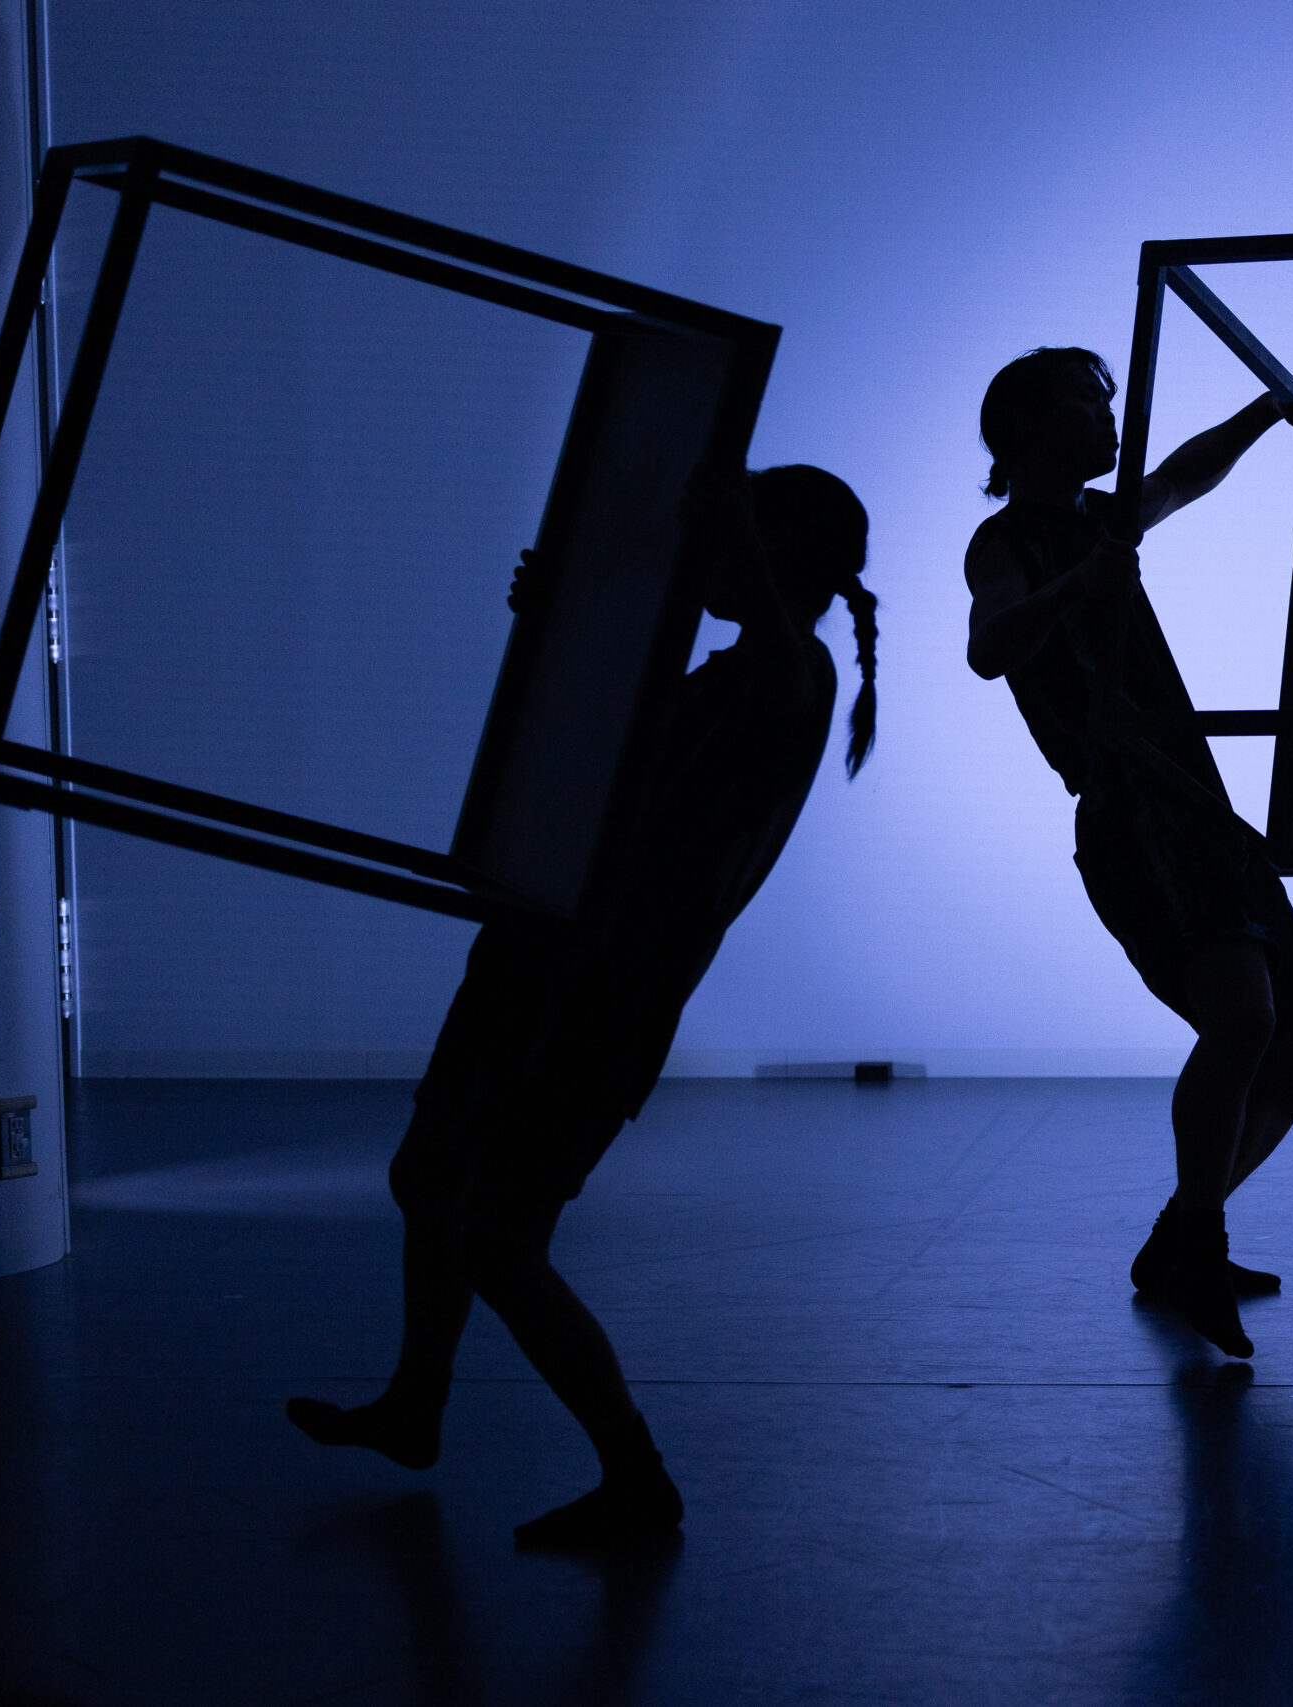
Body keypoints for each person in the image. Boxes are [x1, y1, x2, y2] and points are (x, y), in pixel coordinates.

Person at [288, 463, 878, 1547]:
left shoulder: (792, 675)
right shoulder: (723, 676)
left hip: (596, 997)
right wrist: (559, 620)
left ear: (777, 552)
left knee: (499, 1236)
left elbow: (773, 687)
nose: (703, 554)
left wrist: (726, 536)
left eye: (733, 536)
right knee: (432, 1178)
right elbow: (599, 740)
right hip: (542, 966)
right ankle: (417, 1405)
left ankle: (634, 1478)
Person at [964, 347, 1293, 1360]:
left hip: (1199, 808)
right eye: (1087, 403)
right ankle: (1199, 1246)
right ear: (1028, 427)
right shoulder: (1004, 542)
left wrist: (1268, 409)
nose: (1108, 418)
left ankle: (1179, 1238)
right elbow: (989, 647)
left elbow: (1180, 474)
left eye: (1108, 403)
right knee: (1241, 1022)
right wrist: (1079, 584)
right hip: (1132, 814)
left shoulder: (1104, 519)